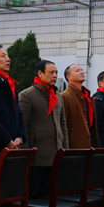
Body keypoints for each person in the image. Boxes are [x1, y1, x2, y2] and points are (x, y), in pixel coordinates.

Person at [19, 60, 68, 198]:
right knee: (34, 196)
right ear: (40, 74)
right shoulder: (27, 95)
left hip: (56, 154)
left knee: (51, 196)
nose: (55, 75)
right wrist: (26, 153)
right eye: (51, 72)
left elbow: (63, 124)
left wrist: (65, 149)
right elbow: (23, 125)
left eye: (56, 72)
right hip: (37, 157)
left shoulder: (58, 96)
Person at [61, 64, 98, 148]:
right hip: (75, 145)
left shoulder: (87, 96)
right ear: (69, 77)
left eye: (81, 70)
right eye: (77, 71)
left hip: (90, 142)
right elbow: (63, 124)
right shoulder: (65, 96)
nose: (81, 72)